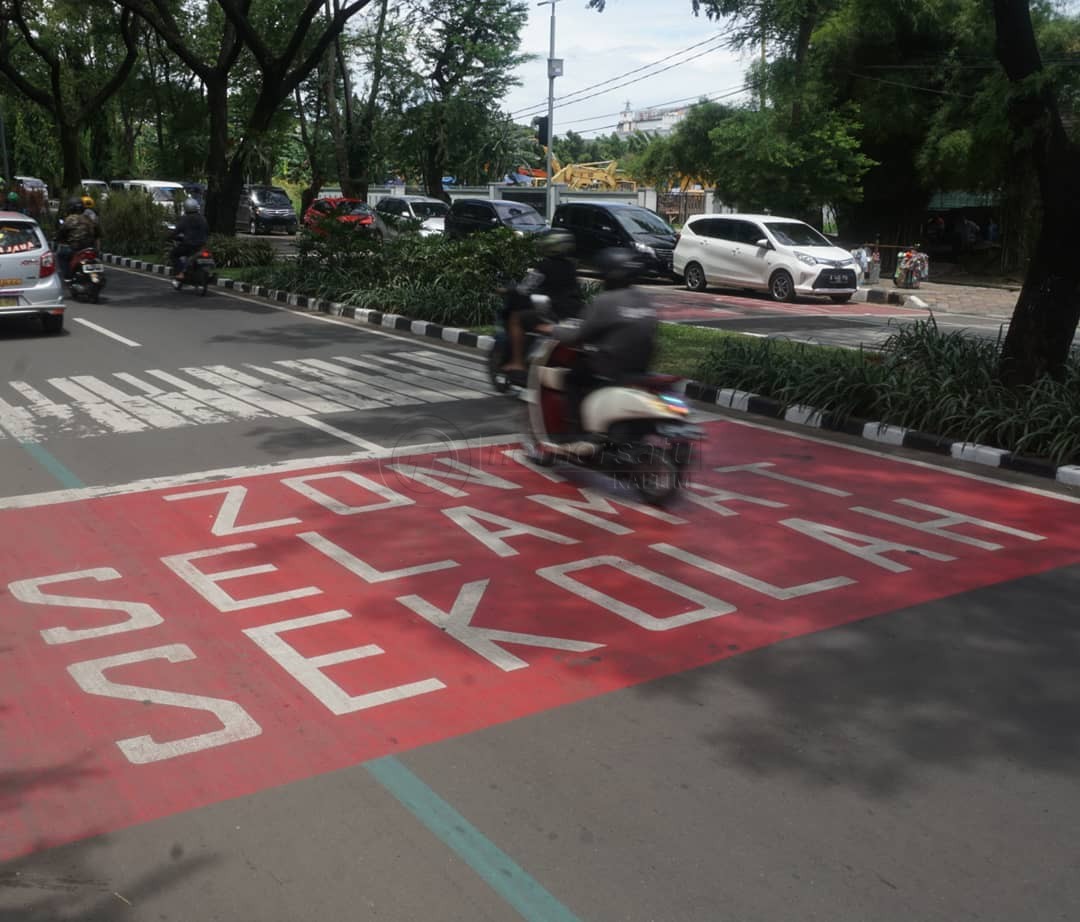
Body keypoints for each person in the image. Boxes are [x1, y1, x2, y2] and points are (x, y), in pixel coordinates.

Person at [537, 247, 658, 437]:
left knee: (572, 379)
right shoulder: (644, 298)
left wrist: (552, 329)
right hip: (640, 367)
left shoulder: (605, 301)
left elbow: (579, 334)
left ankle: (574, 430)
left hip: (609, 367)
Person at [502, 229, 584, 380]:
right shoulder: (571, 266)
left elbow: (525, 288)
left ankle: (517, 363)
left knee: (516, 318)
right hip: (573, 314)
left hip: (552, 313)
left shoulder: (543, 266)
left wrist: (508, 289)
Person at [54, 197, 100, 282]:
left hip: (75, 248)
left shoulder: (70, 219)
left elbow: (61, 233)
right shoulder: (88, 218)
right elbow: (98, 233)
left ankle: (67, 277)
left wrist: (57, 239)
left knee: (61, 255)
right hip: (90, 247)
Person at [169, 197, 209, 284]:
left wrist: (170, 236)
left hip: (189, 245)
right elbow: (207, 230)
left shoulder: (185, 219)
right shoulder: (202, 218)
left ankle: (180, 273)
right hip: (202, 245)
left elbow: (177, 231)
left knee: (173, 254)